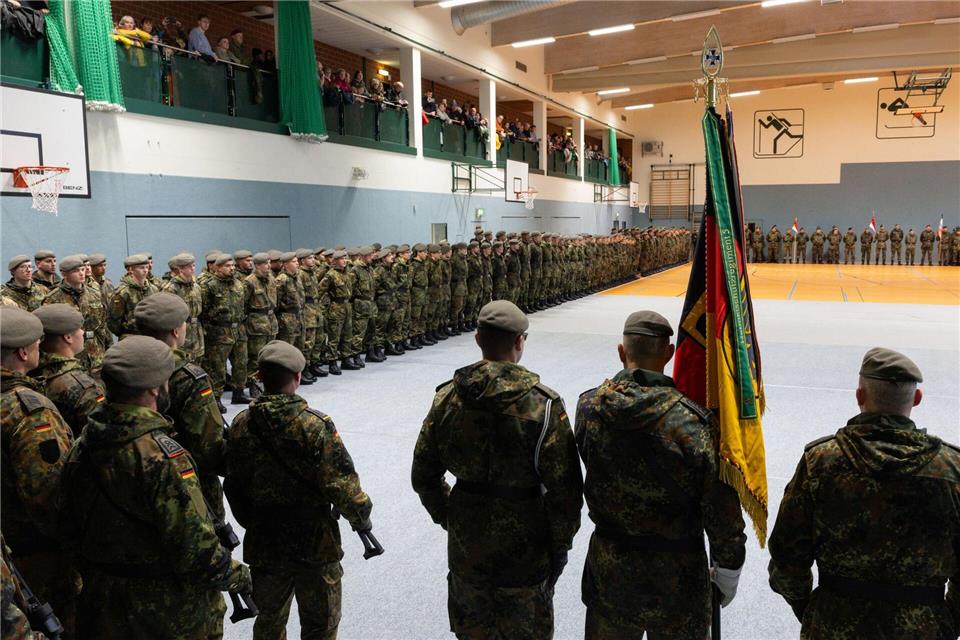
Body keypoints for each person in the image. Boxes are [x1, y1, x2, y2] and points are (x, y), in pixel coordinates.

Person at [58, 336, 251, 639]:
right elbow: (197, 552)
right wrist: (240, 576)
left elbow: (67, 523)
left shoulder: (83, 444)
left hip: (101, 603)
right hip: (165, 613)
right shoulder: (163, 458)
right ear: (155, 389)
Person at [412, 301, 583, 640]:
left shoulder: (447, 399)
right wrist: (559, 545)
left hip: (467, 543)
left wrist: (450, 516)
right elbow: (565, 492)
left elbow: (423, 475)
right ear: (520, 341)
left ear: (478, 339)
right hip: (527, 545)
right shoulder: (544, 405)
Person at [575, 310, 746, 638]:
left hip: (610, 575)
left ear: (621, 352)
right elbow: (723, 515)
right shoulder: (693, 423)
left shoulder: (588, 408)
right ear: (669, 353)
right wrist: (728, 573)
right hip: (678, 583)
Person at [769, 347, 960, 639]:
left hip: (833, 624)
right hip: (925, 629)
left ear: (859, 396)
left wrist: (811, 610)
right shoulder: (951, 470)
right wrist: (945, 622)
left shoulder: (820, 462)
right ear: (917, 399)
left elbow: (787, 558)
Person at [225, 340, 375, 640]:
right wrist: (361, 518)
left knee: (269, 622)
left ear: (259, 377)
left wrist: (252, 521)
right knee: (321, 625)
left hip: (265, 539)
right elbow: (343, 486)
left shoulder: (241, 424)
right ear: (297, 377)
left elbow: (234, 484)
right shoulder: (315, 425)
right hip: (315, 542)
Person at [0, 307, 78, 635]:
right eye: (36, 343)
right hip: (35, 558)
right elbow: (49, 497)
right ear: (23, 352)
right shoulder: (30, 413)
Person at [134, 293, 226, 520]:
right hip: (190, 481)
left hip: (138, 474)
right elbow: (208, 447)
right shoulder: (189, 377)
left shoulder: (127, 365)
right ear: (176, 331)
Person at [32, 304, 103, 436]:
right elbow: (99, 436)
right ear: (68, 337)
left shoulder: (30, 371)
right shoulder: (86, 389)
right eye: (79, 328)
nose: (83, 333)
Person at [200, 253, 250, 410]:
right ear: (218, 267)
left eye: (233, 265)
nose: (232, 268)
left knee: (241, 363)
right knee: (217, 367)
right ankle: (216, 398)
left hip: (238, 329)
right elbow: (203, 311)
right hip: (219, 331)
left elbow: (244, 305)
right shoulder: (209, 286)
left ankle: (239, 392)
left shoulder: (239, 284)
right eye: (228, 266)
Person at [243, 252, 279, 398]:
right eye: (265, 263)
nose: (269, 266)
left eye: (269, 263)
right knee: (255, 357)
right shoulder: (249, 282)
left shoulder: (271, 279)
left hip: (271, 321)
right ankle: (254, 384)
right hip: (256, 323)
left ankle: (269, 383)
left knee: (271, 355)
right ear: (257, 265)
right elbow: (243, 304)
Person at [160, 253, 204, 363]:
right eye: (189, 266)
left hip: (196, 329)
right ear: (180, 269)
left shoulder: (196, 286)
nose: (193, 269)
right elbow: (166, 313)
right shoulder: (171, 288)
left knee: (198, 361)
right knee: (183, 361)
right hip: (181, 330)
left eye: (193, 265)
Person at [107, 254, 158, 339]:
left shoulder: (153, 289)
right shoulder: (122, 292)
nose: (145, 270)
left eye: (147, 267)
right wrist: (125, 333)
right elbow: (113, 322)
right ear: (131, 270)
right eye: (141, 268)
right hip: (130, 337)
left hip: (151, 336)